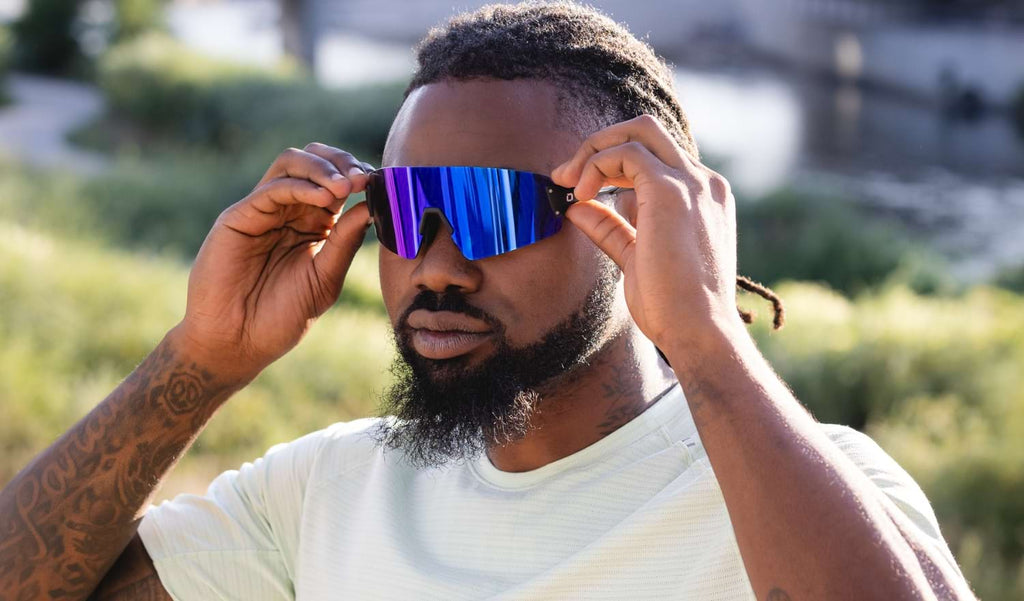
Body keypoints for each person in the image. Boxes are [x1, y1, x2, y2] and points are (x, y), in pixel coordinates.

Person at [0, 2, 976, 600]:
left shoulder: (807, 488)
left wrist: (708, 341)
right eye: (403, 207)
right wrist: (200, 359)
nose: (435, 263)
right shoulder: (320, 496)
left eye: (488, 208)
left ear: (635, 217)